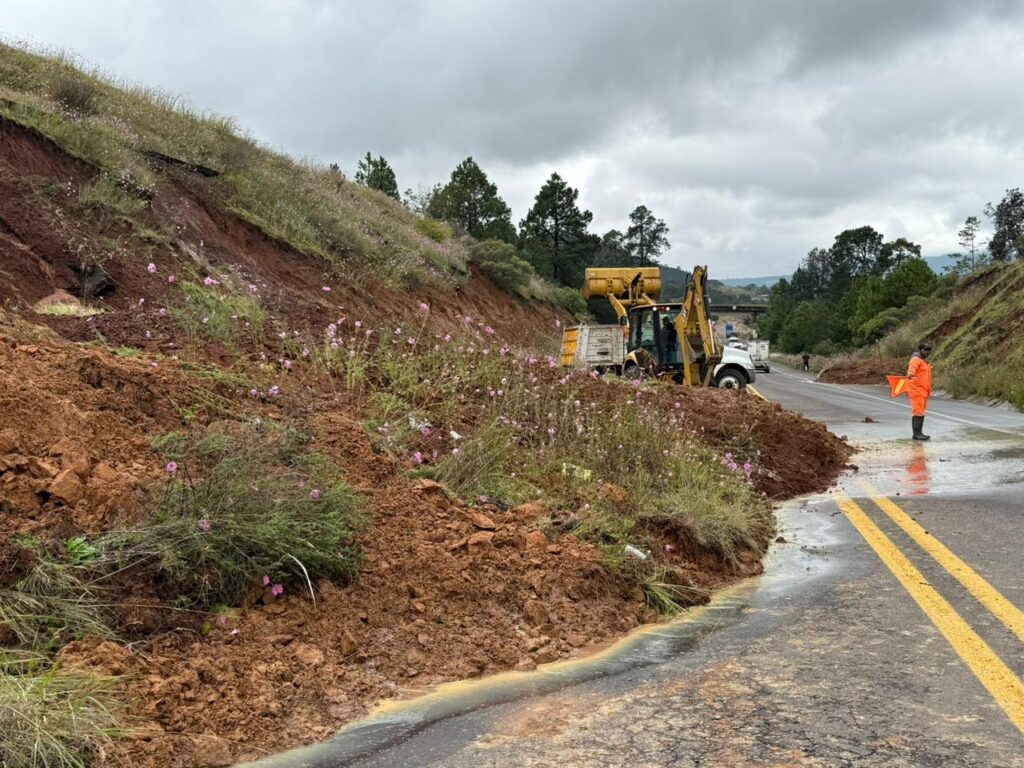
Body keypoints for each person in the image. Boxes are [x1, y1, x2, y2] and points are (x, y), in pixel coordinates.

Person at [907, 342, 933, 440]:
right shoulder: (915, 359)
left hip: (923, 391)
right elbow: (912, 370)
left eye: (928, 350)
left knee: (921, 411)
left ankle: (919, 433)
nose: (927, 352)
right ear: (920, 350)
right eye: (925, 350)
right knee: (917, 411)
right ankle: (917, 434)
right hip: (917, 390)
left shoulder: (924, 361)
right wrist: (910, 374)